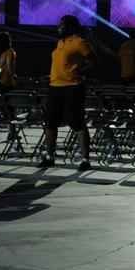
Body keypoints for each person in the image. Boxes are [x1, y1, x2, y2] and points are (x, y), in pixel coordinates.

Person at [40, 14, 95, 171]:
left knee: (77, 122)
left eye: (61, 25)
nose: (59, 27)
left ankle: (85, 159)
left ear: (70, 27)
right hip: (54, 87)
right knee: (50, 123)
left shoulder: (79, 42)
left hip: (73, 87)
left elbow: (94, 61)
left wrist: (80, 71)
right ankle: (49, 157)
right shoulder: (60, 43)